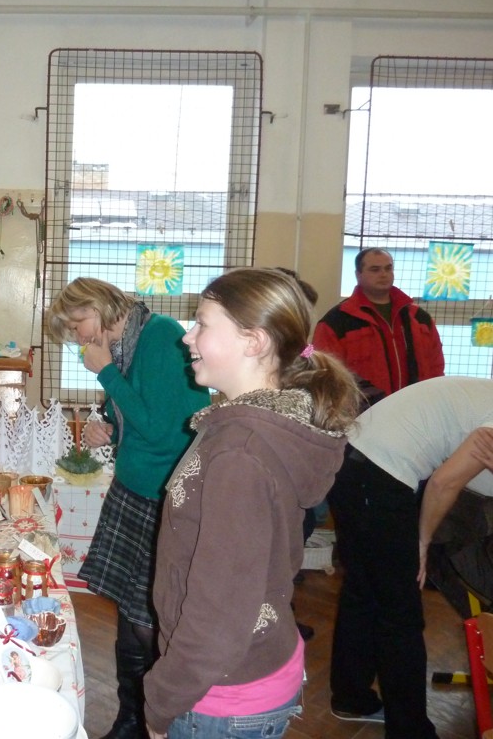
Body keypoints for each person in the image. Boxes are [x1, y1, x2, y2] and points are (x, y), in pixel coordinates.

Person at [142, 268, 361, 739]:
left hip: (219, 697)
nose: (187, 337)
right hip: (247, 666)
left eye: (202, 324)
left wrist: (161, 700)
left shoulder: (240, 452)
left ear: (254, 341)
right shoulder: (248, 429)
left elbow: (219, 612)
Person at [46, 278, 210, 739]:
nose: (78, 335)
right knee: (130, 614)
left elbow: (164, 429)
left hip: (162, 494)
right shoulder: (124, 345)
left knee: (145, 620)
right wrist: (108, 430)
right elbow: (137, 417)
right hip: (134, 486)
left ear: (98, 306)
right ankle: (129, 718)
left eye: (78, 323)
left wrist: (105, 374)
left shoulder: (159, 336)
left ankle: (152, 719)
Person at [327, 377, 493, 736]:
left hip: (355, 462)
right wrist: (421, 542)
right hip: (378, 472)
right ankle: (410, 730)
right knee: (400, 611)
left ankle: (352, 697)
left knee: (363, 591)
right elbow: (445, 482)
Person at [312, 247, 444, 405]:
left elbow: (436, 367)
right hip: (363, 412)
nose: (383, 274)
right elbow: (324, 372)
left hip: (417, 408)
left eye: (388, 268)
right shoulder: (336, 322)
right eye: (375, 269)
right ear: (358, 274)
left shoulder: (419, 318)